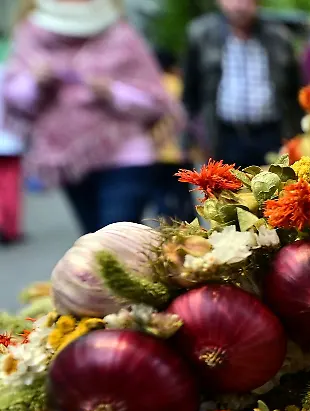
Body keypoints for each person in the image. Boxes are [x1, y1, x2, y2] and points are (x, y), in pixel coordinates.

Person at [3, 0, 184, 234]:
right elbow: (14, 97)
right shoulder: (32, 37)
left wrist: (112, 91)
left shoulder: (122, 36)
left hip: (125, 156)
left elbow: (155, 99)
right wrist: (34, 81)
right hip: (69, 159)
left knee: (115, 235)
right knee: (93, 238)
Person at [182, 0, 302, 169]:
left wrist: (297, 137)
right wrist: (189, 139)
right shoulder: (203, 35)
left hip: (271, 134)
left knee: (275, 183)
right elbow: (190, 94)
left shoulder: (279, 36)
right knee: (227, 184)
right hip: (225, 136)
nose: (239, 6)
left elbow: (295, 92)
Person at [150, 50, 196, 223]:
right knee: (183, 193)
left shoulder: (151, 85)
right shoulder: (178, 83)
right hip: (180, 150)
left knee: (160, 193)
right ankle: (189, 225)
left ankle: (166, 225)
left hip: (156, 151)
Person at [0, 61, 23, 244]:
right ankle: (9, 228)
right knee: (9, 186)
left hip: (9, 140)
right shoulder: (10, 69)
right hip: (9, 140)